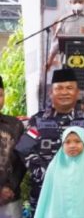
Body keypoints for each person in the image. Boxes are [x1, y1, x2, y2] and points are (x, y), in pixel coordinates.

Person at [15, 68, 84, 212]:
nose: (64, 92)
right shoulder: (38, 120)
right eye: (59, 88)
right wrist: (46, 172)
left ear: (78, 93)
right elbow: (24, 148)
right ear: (51, 92)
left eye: (70, 88)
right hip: (46, 191)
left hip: (80, 193)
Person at [35, 126, 84, 218]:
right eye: (67, 142)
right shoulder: (54, 167)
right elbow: (47, 195)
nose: (72, 145)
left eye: (77, 141)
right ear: (62, 145)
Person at [0, 75, 24, 218]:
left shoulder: (15, 125)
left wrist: (10, 187)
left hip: (9, 198)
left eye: (0, 95)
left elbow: (22, 160)